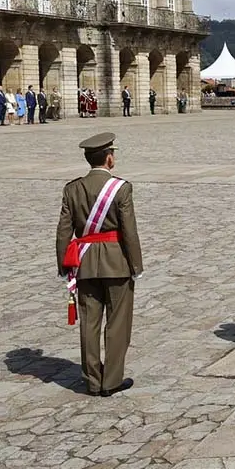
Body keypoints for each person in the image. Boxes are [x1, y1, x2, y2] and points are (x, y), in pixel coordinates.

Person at [56, 132, 144, 396]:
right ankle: (111, 381)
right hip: (116, 262)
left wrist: (64, 264)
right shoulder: (121, 188)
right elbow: (129, 231)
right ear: (109, 158)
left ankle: (93, 381)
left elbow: (63, 231)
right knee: (117, 323)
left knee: (89, 323)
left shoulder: (72, 189)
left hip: (83, 263)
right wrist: (136, 265)